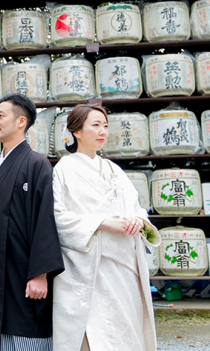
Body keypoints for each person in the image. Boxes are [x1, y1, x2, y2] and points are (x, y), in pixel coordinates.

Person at [52, 104, 161, 351]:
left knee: (124, 333)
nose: (102, 131)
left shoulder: (114, 170)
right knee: (91, 335)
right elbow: (57, 217)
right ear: (76, 131)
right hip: (87, 266)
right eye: (95, 125)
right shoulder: (63, 169)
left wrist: (138, 221)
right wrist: (101, 223)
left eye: (105, 126)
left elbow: (137, 208)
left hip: (122, 266)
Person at [0, 93, 65, 351]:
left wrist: (40, 273)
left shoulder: (37, 164)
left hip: (23, 268)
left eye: (1, 115)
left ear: (21, 121)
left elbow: (44, 220)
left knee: (23, 329)